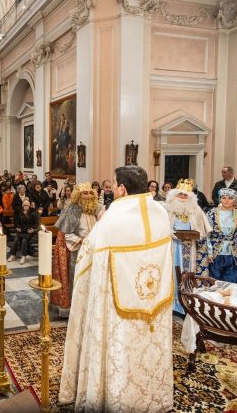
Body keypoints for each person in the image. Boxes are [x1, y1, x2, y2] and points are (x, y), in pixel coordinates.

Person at [59, 165, 173, 412]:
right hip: (153, 302)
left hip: (118, 308)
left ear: (122, 188)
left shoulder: (112, 218)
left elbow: (88, 258)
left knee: (121, 351)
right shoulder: (162, 213)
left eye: (114, 184)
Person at [163, 179, 212, 315]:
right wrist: (167, 231)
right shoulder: (167, 209)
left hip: (189, 247)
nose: (183, 198)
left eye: (186, 195)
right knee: (171, 273)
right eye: (180, 195)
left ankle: (185, 303)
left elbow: (202, 230)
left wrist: (196, 233)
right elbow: (159, 227)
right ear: (174, 196)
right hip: (172, 247)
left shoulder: (196, 210)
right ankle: (172, 304)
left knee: (187, 273)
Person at [51, 183, 98, 317]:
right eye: (85, 193)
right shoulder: (73, 210)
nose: (88, 196)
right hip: (77, 251)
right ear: (78, 195)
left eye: (90, 193)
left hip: (93, 250)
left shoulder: (94, 209)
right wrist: (81, 240)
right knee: (76, 279)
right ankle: (75, 309)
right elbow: (66, 234)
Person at [199, 188, 237, 282]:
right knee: (215, 283)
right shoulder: (211, 214)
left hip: (234, 255)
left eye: (230, 198)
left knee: (231, 285)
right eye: (224, 197)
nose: (226, 200)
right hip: (215, 255)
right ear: (220, 199)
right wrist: (209, 252)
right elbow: (206, 234)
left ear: (235, 200)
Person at [7, 199, 39, 264]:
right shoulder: (19, 212)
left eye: (27, 205)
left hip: (29, 231)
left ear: (29, 205)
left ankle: (23, 256)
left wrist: (32, 229)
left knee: (24, 239)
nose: (26, 206)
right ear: (22, 205)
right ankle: (13, 255)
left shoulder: (33, 212)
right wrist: (17, 228)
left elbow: (36, 223)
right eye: (24, 205)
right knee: (16, 239)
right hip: (21, 231)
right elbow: (17, 222)